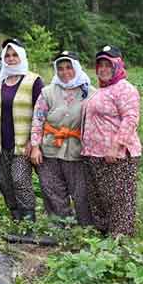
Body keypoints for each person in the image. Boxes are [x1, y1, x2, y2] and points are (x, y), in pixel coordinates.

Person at [80, 46, 142, 236]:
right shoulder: (100, 90)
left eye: (109, 65)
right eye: (101, 65)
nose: (104, 69)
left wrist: (115, 146)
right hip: (94, 153)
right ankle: (103, 237)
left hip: (116, 155)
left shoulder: (124, 89)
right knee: (100, 196)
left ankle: (119, 240)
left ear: (118, 66)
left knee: (119, 198)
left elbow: (130, 118)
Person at [29, 50, 94, 226]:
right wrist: (35, 147)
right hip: (50, 148)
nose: (65, 72)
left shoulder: (89, 92)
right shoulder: (47, 92)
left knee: (81, 193)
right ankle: (60, 227)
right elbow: (38, 119)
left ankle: (85, 229)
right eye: (61, 68)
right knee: (51, 189)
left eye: (69, 67)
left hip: (78, 150)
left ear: (77, 68)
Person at [0, 39, 43, 220]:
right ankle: (16, 218)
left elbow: (41, 112)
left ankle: (29, 220)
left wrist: (34, 141)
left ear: (22, 56)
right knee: (4, 182)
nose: (11, 58)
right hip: (0, 142)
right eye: (7, 55)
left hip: (22, 143)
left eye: (14, 55)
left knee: (20, 180)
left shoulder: (33, 80)